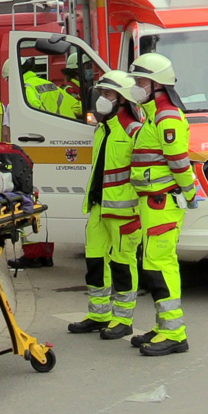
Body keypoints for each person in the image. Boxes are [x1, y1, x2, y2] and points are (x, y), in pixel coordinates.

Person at [127, 53, 200, 356]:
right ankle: (163, 326)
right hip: (154, 202)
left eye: (140, 81)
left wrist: (190, 194)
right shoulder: (153, 115)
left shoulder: (166, 116)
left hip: (162, 202)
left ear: (157, 84)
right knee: (154, 263)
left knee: (160, 264)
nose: (136, 86)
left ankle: (174, 333)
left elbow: (179, 161)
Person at [67, 72, 143, 340]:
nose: (101, 99)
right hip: (100, 207)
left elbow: (143, 173)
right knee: (96, 261)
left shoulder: (135, 131)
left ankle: (123, 319)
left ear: (123, 99)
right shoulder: (102, 128)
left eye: (108, 94)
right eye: (101, 94)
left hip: (125, 211)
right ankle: (99, 314)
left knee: (122, 265)